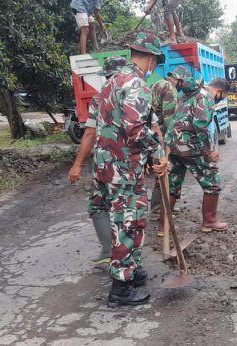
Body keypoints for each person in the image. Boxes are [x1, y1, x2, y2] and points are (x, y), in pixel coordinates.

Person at [72, 32, 168, 307]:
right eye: (155, 62)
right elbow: (135, 129)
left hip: (105, 166)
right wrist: (157, 154)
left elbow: (102, 126)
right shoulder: (137, 83)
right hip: (124, 169)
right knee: (129, 223)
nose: (154, 68)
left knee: (120, 221)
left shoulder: (111, 82)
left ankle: (132, 271)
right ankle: (121, 289)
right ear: (150, 59)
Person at [69, 56, 127, 265]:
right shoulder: (135, 93)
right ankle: (121, 253)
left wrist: (77, 165)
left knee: (98, 205)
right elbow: (151, 129)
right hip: (129, 162)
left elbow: (89, 134)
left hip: (105, 162)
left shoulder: (99, 98)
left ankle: (112, 251)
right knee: (125, 207)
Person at [162, 69, 229, 233]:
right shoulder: (206, 97)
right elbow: (200, 125)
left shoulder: (191, 94)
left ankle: (163, 226)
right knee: (213, 180)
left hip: (173, 145)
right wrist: (209, 151)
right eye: (222, 96)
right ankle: (209, 221)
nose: (220, 99)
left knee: (173, 183)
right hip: (189, 146)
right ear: (220, 91)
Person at [148, 70, 181, 222]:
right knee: (163, 172)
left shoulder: (156, 84)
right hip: (161, 136)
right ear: (178, 79)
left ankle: (162, 207)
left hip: (153, 134)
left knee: (161, 172)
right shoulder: (169, 88)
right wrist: (172, 142)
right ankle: (157, 210)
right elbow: (169, 118)